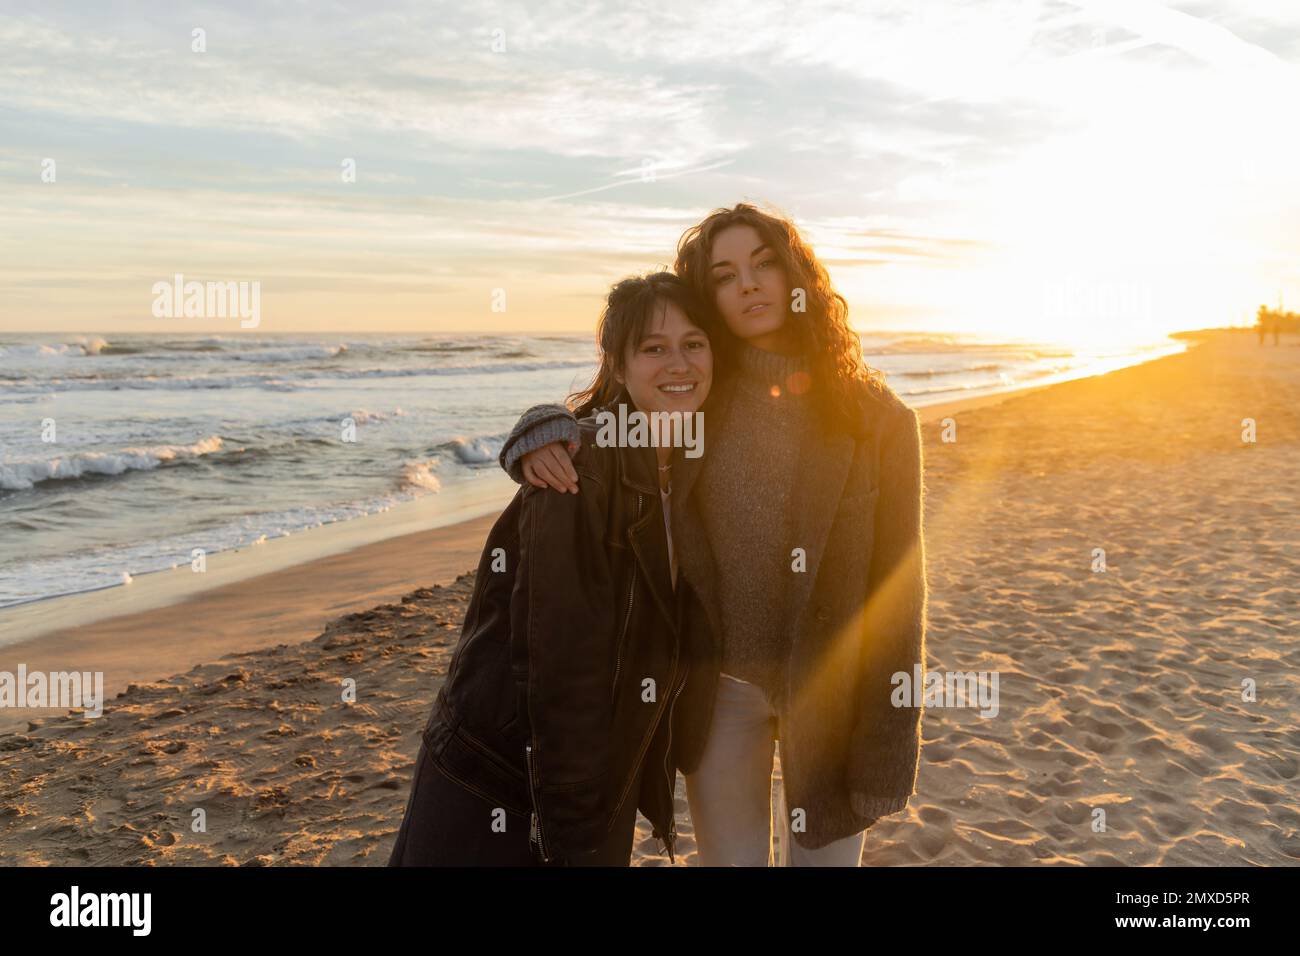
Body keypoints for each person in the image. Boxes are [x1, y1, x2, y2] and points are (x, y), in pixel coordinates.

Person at [497, 202, 927, 866]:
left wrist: (889, 749)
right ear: (708, 297)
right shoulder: (698, 390)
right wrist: (536, 430)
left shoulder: (880, 420)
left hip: (835, 694)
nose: (748, 284)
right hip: (720, 689)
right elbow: (605, 418)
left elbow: (902, 598)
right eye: (725, 275)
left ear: (797, 278)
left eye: (763, 264)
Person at [389, 272, 716, 865]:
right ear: (617, 366)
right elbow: (558, 665)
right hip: (502, 775)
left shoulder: (693, 466)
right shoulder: (576, 472)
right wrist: (572, 825)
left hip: (592, 779)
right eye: (653, 347)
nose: (679, 363)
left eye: (694, 343)